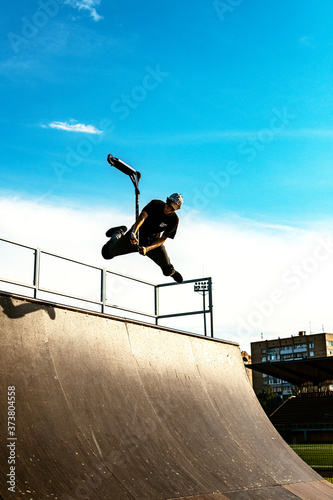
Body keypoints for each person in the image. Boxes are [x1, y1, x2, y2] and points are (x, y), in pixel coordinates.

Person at [101, 193, 184, 283]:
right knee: (106, 253)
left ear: (177, 209)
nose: (168, 209)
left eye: (172, 209)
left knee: (168, 271)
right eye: (168, 205)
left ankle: (172, 272)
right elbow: (141, 218)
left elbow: (162, 239)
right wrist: (133, 233)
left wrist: (147, 249)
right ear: (166, 201)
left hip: (152, 243)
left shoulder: (174, 220)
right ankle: (119, 231)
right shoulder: (155, 204)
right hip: (135, 236)